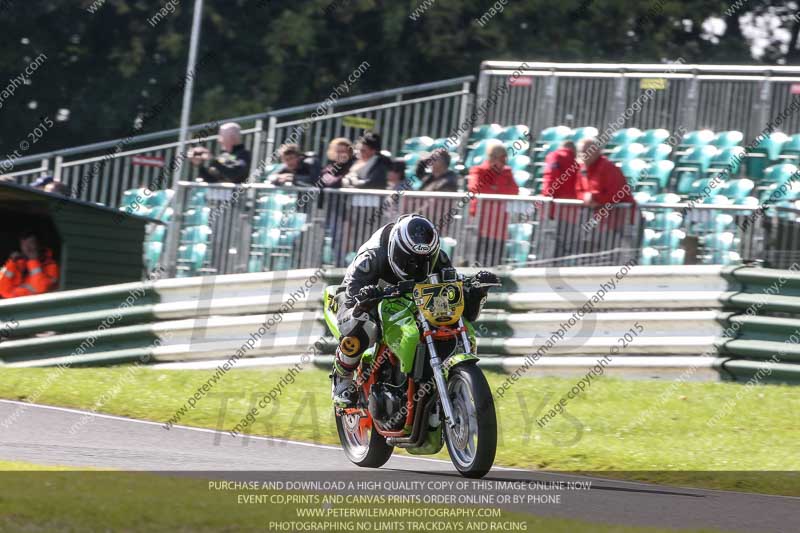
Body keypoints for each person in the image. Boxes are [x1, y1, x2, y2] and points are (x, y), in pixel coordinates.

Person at [329, 213, 500, 406]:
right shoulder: (371, 257)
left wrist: (475, 292)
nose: (416, 267)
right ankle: (342, 376)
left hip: (411, 295)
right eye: (409, 261)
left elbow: (457, 302)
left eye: (423, 261)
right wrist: (366, 297)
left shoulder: (439, 258)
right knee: (359, 321)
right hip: (370, 291)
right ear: (396, 250)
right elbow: (352, 296)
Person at [576, 138, 637, 261]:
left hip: (620, 221)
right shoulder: (582, 169)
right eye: (581, 151)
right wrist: (585, 197)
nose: (583, 155)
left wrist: (594, 198)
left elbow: (615, 194)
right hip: (600, 222)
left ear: (597, 151)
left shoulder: (608, 168)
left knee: (618, 257)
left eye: (587, 151)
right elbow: (578, 190)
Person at [467, 141, 520, 265]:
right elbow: (476, 189)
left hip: (500, 225)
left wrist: (495, 189)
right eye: (500, 157)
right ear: (491, 157)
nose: (503, 161)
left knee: (496, 262)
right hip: (481, 224)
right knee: (479, 262)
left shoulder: (507, 172)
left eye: (504, 158)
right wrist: (499, 190)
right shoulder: (478, 170)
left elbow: (514, 191)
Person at [0, 232, 59, 299]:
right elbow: (2, 290)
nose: (27, 248)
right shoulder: (15, 264)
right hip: (16, 306)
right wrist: (12, 264)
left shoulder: (51, 266)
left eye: (31, 243)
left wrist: (33, 261)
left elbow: (40, 290)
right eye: (23, 244)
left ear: (39, 245)